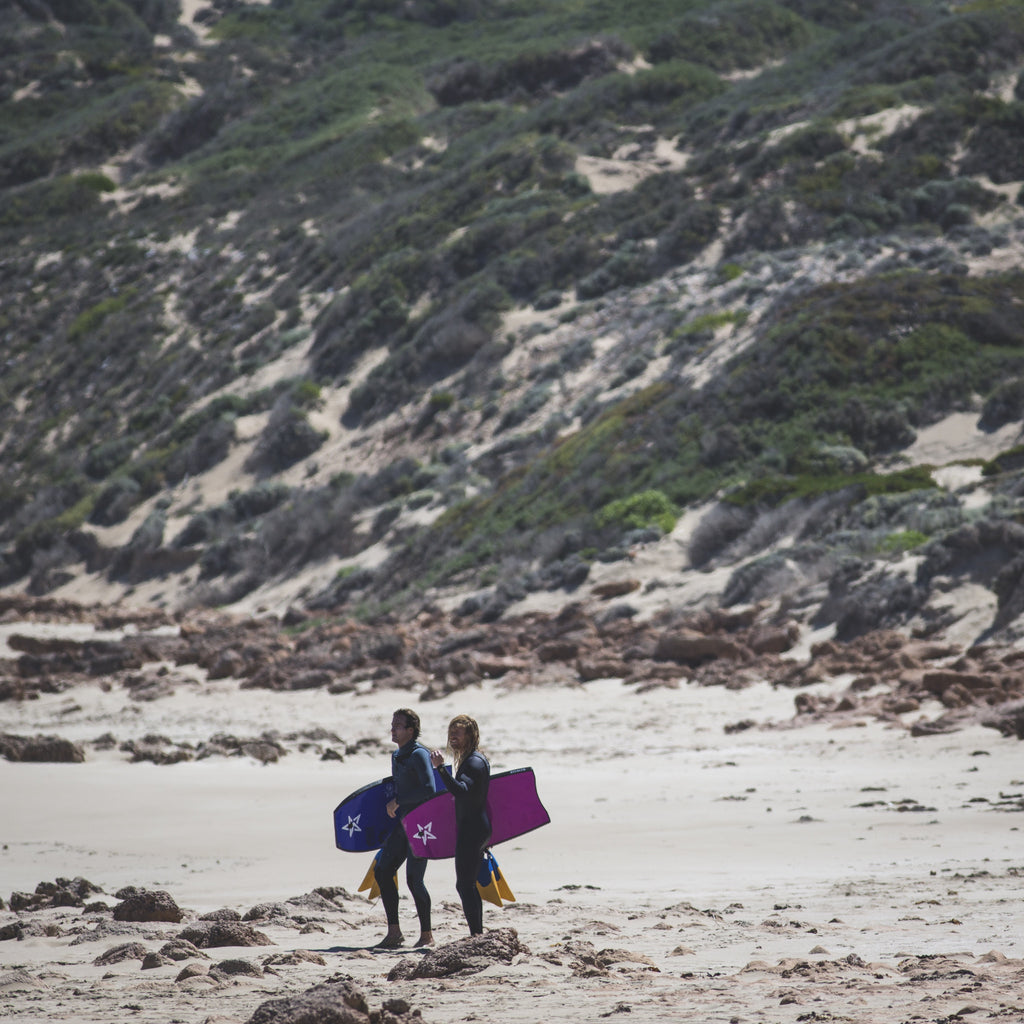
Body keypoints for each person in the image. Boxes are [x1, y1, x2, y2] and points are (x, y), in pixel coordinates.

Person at [374, 708, 436, 948]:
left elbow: (429, 789)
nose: (393, 728)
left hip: (421, 825)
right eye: (392, 724)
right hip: (403, 823)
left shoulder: (419, 754)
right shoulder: (398, 754)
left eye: (398, 725)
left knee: (414, 880)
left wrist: (399, 801)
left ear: (411, 730)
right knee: (383, 870)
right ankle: (394, 933)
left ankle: (427, 936)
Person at [430, 714, 491, 936]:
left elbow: (461, 791)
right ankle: (477, 933)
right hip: (476, 828)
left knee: (465, 885)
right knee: (469, 884)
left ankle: (476, 934)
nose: (453, 736)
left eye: (458, 732)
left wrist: (440, 769)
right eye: (451, 732)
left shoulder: (473, 762)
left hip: (472, 831)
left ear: (470, 735)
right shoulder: (472, 759)